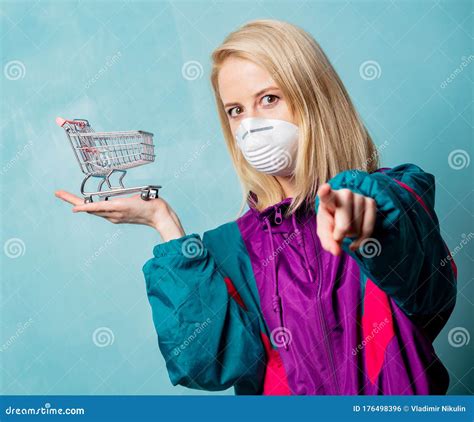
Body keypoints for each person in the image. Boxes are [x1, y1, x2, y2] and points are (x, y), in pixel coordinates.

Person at [55, 19, 458, 395]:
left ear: (313, 98)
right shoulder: (229, 249)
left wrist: (365, 217)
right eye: (235, 110)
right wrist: (166, 227)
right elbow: (206, 366)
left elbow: (427, 287)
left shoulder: (399, 193)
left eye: (269, 98)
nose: (249, 125)